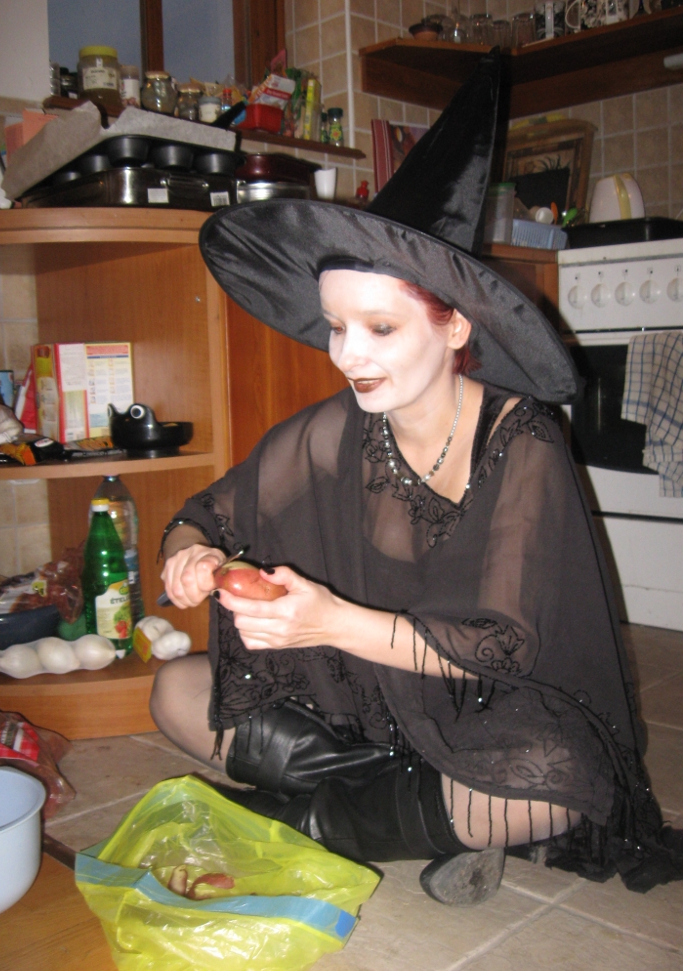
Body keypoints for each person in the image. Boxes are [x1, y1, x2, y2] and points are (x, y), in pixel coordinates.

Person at [151, 53, 682, 904]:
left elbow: (501, 647)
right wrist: (190, 555)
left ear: (455, 326)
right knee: (177, 691)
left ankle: (302, 823)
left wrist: (331, 620)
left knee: (560, 777)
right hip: (366, 701)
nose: (347, 355)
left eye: (380, 328)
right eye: (336, 327)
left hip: (486, 706)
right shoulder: (338, 430)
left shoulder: (521, 439)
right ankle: (412, 811)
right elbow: (205, 515)